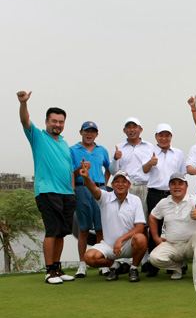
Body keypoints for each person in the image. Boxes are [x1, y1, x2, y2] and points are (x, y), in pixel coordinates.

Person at [18, 90, 76, 284]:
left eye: (61, 122)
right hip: (47, 191)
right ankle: (50, 271)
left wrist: (73, 191)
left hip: (66, 193)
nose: (57, 124)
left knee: (61, 233)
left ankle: (57, 268)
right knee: (52, 231)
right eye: (54, 121)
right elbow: (25, 121)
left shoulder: (65, 144)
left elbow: (69, 170)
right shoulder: (38, 137)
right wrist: (23, 103)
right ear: (46, 122)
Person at [81, 169, 147, 282]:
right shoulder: (104, 197)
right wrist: (86, 178)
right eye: (117, 181)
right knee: (88, 257)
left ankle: (134, 269)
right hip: (108, 246)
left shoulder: (135, 200)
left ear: (129, 185)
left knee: (141, 238)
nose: (120, 184)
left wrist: (120, 240)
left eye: (124, 181)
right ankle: (115, 266)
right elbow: (93, 188)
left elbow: (140, 227)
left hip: (128, 245)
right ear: (112, 185)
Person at [148, 173, 196, 285]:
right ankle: (178, 267)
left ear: (186, 186)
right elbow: (152, 217)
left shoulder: (195, 199)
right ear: (169, 187)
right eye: (173, 184)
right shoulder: (163, 202)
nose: (177, 187)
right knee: (154, 258)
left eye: (180, 183)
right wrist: (156, 237)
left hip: (190, 246)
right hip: (172, 245)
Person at [143, 123, 186, 277]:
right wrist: (150, 163)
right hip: (154, 193)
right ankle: (153, 264)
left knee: (173, 228)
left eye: (167, 135)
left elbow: (181, 175)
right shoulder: (149, 151)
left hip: (172, 194)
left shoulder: (178, 153)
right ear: (156, 136)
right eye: (161, 135)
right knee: (154, 227)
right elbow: (144, 170)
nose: (164, 138)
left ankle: (172, 263)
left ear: (171, 137)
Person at [70, 121, 111, 278]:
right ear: (81, 132)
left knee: (101, 229)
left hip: (100, 190)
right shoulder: (73, 150)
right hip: (82, 189)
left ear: (96, 134)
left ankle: (101, 263)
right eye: (87, 131)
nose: (89, 134)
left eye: (93, 131)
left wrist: (104, 184)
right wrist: (81, 169)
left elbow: (108, 168)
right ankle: (82, 264)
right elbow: (71, 173)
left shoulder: (102, 150)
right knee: (83, 229)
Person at [109, 117, 154, 221]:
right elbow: (113, 171)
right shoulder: (119, 147)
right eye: (128, 127)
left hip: (144, 187)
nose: (132, 129)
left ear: (140, 129)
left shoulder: (149, 146)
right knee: (126, 219)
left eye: (134, 127)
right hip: (126, 187)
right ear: (124, 130)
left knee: (143, 220)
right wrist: (115, 159)